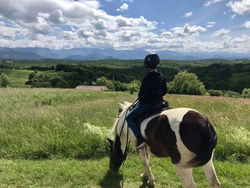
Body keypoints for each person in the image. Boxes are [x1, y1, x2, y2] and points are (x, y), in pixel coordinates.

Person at [126, 54, 167, 149]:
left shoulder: (148, 78)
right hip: (159, 103)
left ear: (147, 65)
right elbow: (165, 91)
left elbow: (142, 95)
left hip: (147, 105)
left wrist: (141, 101)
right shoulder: (162, 76)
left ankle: (140, 139)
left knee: (129, 118)